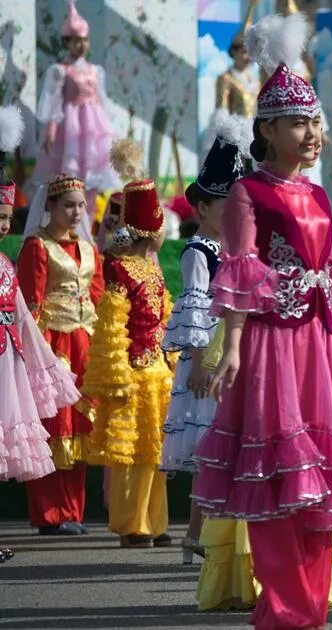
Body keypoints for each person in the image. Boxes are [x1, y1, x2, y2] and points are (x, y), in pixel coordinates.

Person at [190, 13, 332, 628]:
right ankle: (281, 607)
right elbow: (241, 272)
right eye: (300, 123)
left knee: (324, 477)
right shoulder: (250, 194)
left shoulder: (321, 197)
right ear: (268, 128)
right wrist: (231, 350)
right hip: (273, 348)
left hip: (320, 347)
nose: (312, 134)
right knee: (277, 474)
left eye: (315, 123)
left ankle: (311, 604)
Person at [160, 112, 251, 564]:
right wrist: (198, 359)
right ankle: (198, 531)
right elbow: (194, 303)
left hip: (234, 352)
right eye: (225, 208)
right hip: (209, 355)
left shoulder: (236, 249)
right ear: (203, 209)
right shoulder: (201, 250)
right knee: (212, 445)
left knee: (227, 443)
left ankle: (207, 532)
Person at [0, 106, 82, 563]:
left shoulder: (6, 263)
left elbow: (24, 320)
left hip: (7, 364)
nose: (5, 224)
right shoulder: (29, 253)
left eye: (9, 216)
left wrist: (43, 367)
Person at [81, 178, 174, 550]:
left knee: (154, 452)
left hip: (157, 373)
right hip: (133, 373)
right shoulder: (119, 270)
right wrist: (116, 374)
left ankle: (155, 521)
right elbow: (110, 325)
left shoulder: (152, 269)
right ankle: (131, 524)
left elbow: (162, 319)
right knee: (130, 452)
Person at [17, 172, 103, 537]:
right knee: (55, 427)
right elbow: (30, 303)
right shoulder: (38, 247)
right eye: (68, 205)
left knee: (79, 429)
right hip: (52, 345)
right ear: (49, 206)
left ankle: (73, 511)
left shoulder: (89, 249)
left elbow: (97, 296)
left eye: (82, 206)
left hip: (85, 342)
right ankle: (49, 513)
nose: (76, 212)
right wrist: (32, 355)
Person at [32, 2, 118, 207]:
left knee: (92, 176)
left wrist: (108, 132)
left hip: (93, 129)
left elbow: (102, 101)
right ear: (67, 43)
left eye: (85, 40)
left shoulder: (95, 70)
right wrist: (51, 131)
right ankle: (69, 220)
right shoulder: (60, 70)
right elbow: (54, 102)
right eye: (76, 41)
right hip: (70, 128)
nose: (82, 45)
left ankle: (87, 220)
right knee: (70, 174)